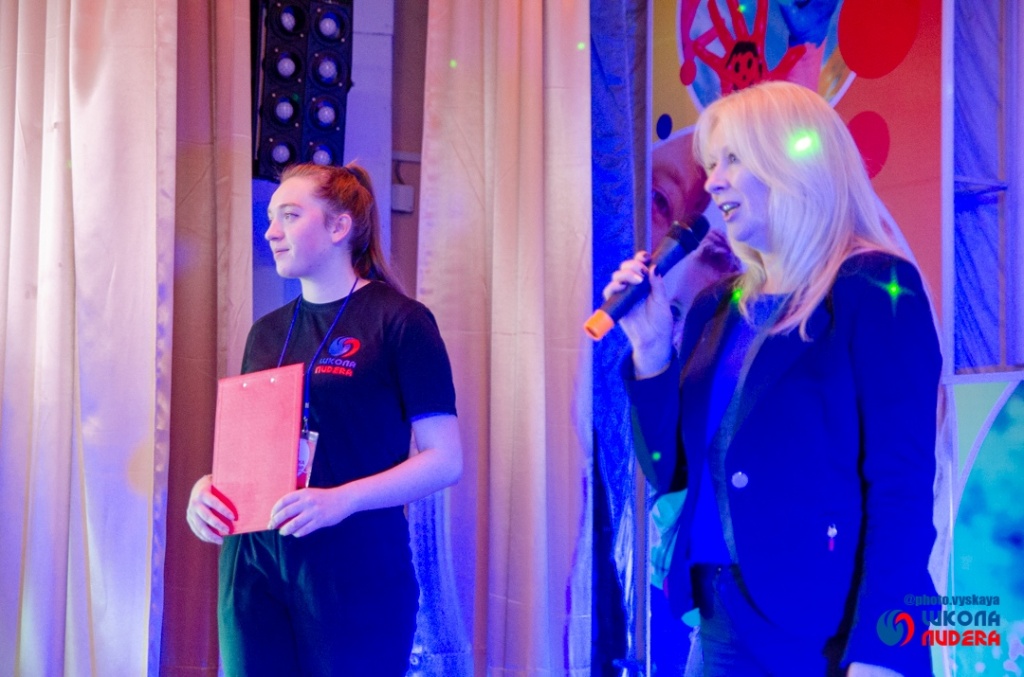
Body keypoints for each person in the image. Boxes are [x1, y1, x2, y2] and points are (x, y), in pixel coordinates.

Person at [605, 81, 940, 676]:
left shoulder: (873, 289)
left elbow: (902, 489)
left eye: (733, 159)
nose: (713, 183)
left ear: (793, 165)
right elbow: (669, 472)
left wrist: (881, 652)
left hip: (828, 632)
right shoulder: (715, 308)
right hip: (719, 625)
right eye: (712, 165)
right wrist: (651, 351)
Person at [186, 162, 462, 675]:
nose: (271, 232)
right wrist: (210, 488)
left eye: (290, 216)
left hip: (354, 567)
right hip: (254, 562)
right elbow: (254, 453)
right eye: (271, 217)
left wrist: (342, 499)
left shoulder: (401, 321)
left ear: (339, 227)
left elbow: (445, 460)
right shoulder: (265, 333)